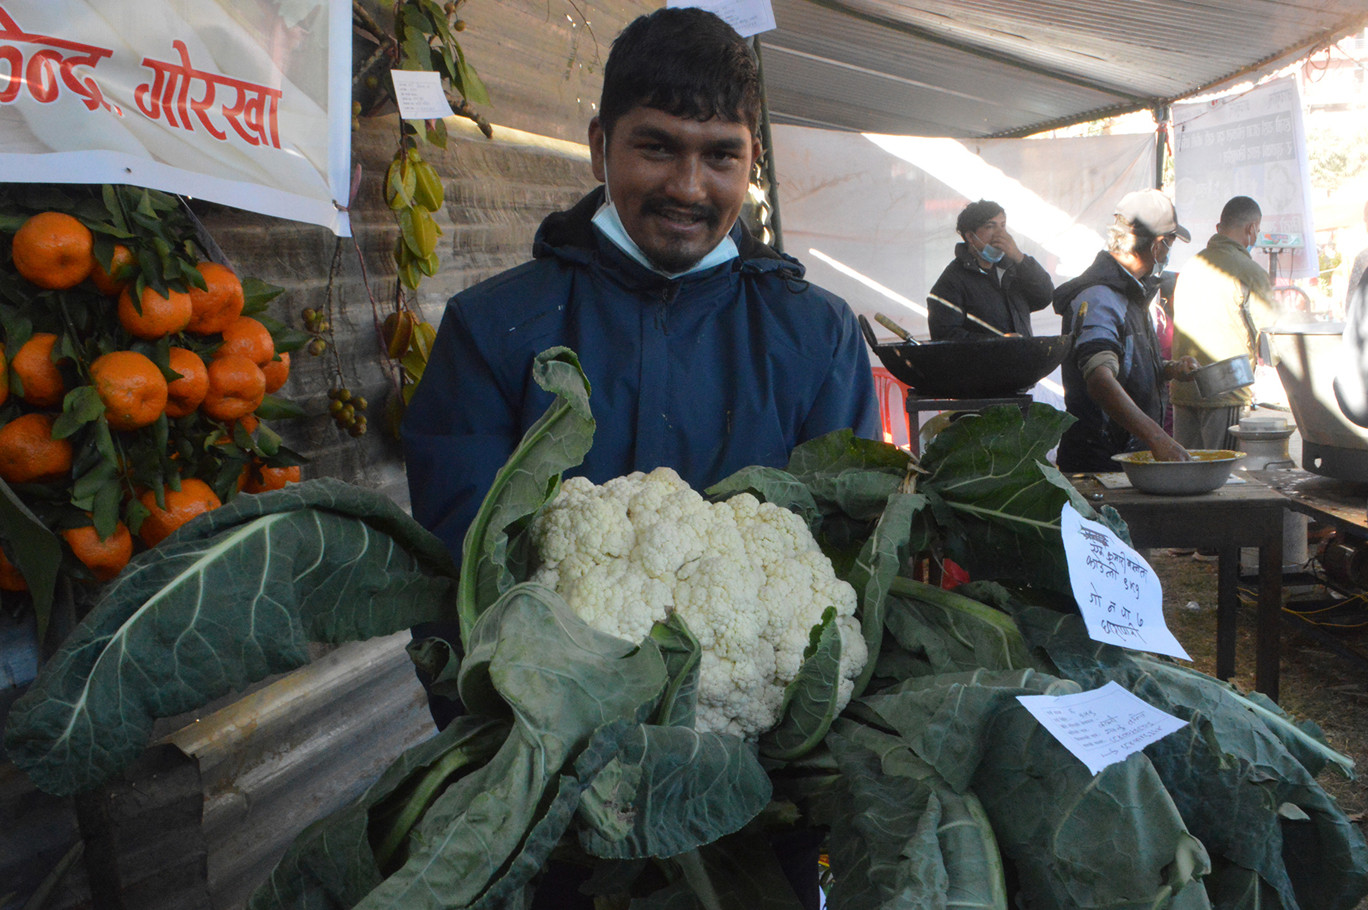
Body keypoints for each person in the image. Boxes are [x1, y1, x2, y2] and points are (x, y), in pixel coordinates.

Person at [401, 10, 879, 908]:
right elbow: (452, 583)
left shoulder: (815, 336)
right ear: (598, 148)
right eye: (657, 149)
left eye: (721, 156)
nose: (689, 186)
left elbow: (846, 562)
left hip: (753, 818)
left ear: (752, 163)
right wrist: (538, 767)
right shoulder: (493, 330)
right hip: (550, 814)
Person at [1053, 189, 1201, 472]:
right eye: (1169, 243)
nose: (1168, 253)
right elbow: (1099, 380)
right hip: (1100, 463)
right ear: (1157, 246)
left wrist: (1168, 369)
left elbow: (1123, 364)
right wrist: (1158, 438)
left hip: (1126, 458)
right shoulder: (1100, 297)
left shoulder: (1131, 292)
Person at [1169, 196, 1279, 450]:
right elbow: (1271, 333)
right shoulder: (1249, 272)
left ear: (1219, 228)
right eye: (1258, 230)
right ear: (1251, 229)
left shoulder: (1191, 265)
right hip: (1225, 392)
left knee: (1187, 468)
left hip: (1184, 390)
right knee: (1222, 475)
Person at [926, 199, 1055, 339]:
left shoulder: (1013, 268)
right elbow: (945, 335)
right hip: (984, 360)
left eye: (1003, 226)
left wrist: (1020, 258)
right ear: (970, 236)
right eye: (990, 226)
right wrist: (997, 343)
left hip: (1021, 358)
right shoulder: (952, 281)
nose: (1000, 234)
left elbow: (1045, 296)